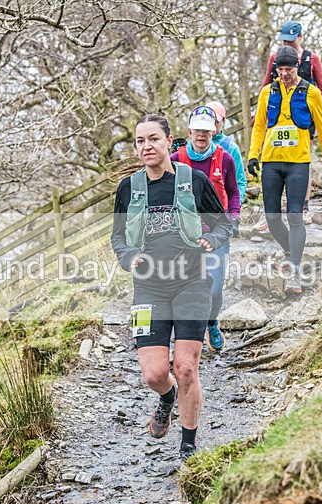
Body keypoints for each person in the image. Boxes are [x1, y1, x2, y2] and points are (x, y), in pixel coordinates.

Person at [111, 114, 231, 461]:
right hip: (149, 289)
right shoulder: (129, 188)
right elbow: (117, 238)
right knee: (154, 374)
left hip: (192, 283)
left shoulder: (193, 181)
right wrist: (129, 256)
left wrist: (211, 240)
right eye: (140, 141)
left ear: (168, 141)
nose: (146, 146)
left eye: (153, 139)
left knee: (186, 369)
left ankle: (188, 446)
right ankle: (167, 397)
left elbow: (223, 225)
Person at [247, 46, 322, 294]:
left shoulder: (311, 92)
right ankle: (290, 251)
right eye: (280, 69)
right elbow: (259, 127)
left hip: (298, 162)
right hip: (271, 162)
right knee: (272, 218)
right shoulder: (267, 92)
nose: (284, 74)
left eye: (289, 69)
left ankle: (294, 270)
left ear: (297, 67)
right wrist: (253, 155)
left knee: (295, 215)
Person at [170, 106, 240, 353]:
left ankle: (211, 322)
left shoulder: (225, 158)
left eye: (207, 130)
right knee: (180, 285)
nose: (202, 135)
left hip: (215, 232)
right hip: (182, 234)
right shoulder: (175, 159)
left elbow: (233, 191)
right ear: (189, 131)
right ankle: (183, 335)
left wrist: (234, 217)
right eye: (198, 130)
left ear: (214, 132)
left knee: (215, 287)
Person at [260, 20, 322, 225]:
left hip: (303, 115)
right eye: (284, 40)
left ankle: (303, 206)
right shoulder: (275, 57)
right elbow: (266, 84)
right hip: (278, 115)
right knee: (274, 163)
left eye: (291, 40)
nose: (287, 43)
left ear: (300, 37)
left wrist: (316, 108)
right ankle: (270, 213)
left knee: (301, 159)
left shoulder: (311, 58)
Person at [205, 100, 247, 204]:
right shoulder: (194, 145)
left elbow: (240, 181)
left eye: (216, 121)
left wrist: (235, 204)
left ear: (223, 121)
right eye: (209, 121)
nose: (213, 125)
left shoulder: (231, 148)